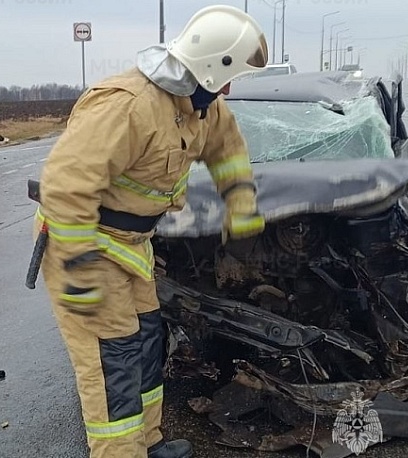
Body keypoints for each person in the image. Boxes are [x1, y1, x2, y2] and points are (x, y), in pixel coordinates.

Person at [31, 5, 269, 458]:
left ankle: (148, 442)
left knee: (145, 341)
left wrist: (240, 203)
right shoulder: (129, 106)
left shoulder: (201, 107)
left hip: (129, 246)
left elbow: (228, 149)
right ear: (211, 67)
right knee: (112, 362)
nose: (232, 87)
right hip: (83, 244)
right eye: (231, 74)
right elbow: (64, 186)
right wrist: (78, 268)